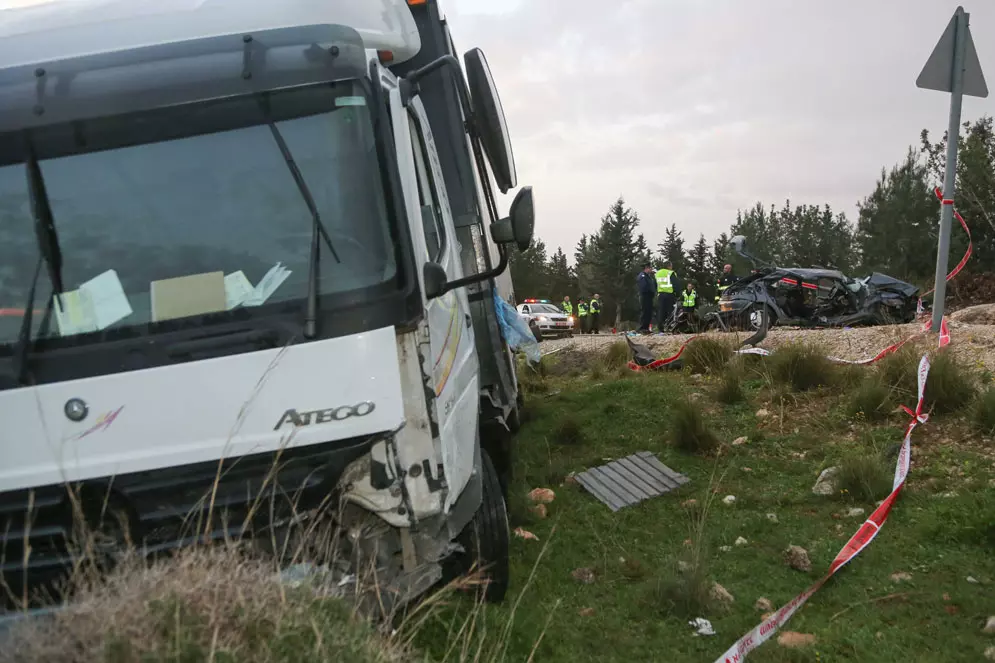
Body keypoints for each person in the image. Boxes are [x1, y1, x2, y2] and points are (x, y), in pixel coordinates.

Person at [655, 261, 677, 331]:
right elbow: (676, 285)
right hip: (670, 295)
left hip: (661, 295)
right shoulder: (671, 273)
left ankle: (660, 328)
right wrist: (677, 294)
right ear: (669, 266)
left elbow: (654, 284)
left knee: (661, 311)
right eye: (671, 266)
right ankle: (670, 327)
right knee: (671, 312)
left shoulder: (657, 273)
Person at [637, 262, 656, 333]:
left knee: (649, 312)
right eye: (650, 268)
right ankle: (642, 328)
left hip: (649, 297)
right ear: (647, 268)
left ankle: (646, 328)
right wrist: (649, 292)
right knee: (644, 312)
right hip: (645, 296)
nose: (651, 269)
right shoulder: (642, 276)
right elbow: (643, 287)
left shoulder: (648, 276)